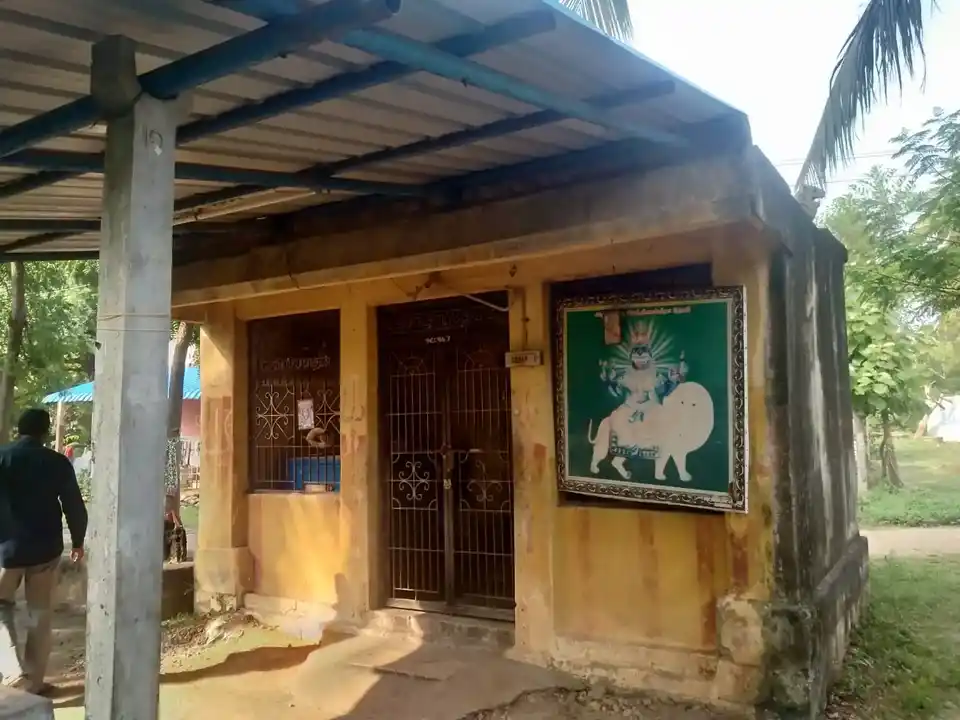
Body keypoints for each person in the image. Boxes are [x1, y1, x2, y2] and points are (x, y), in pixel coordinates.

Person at [0, 408, 87, 696]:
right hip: (45, 550)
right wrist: (77, 541)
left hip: (6, 550)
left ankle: (12, 668)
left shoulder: (3, 457)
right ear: (45, 432)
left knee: (1, 606)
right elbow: (74, 505)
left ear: (18, 429)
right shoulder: (57, 462)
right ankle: (33, 683)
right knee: (40, 615)